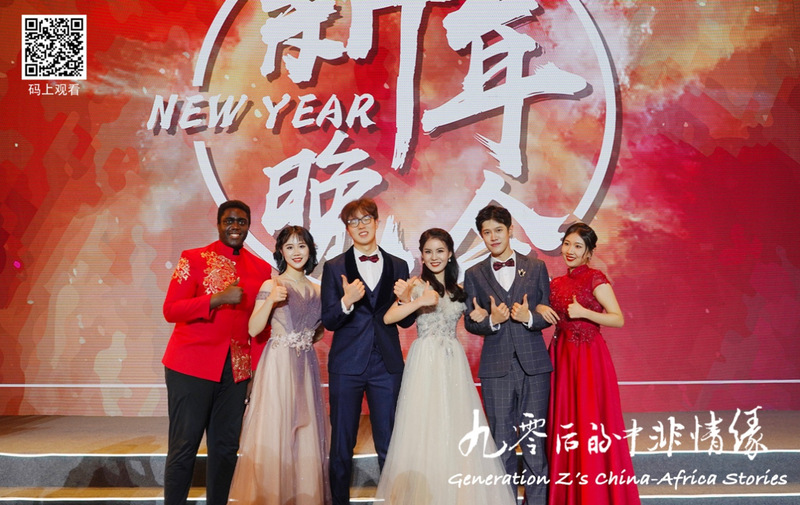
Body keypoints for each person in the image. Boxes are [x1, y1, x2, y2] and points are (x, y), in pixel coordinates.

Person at [375, 228, 517, 505]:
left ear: (450, 254)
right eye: (428, 252)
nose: (434, 257)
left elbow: (475, 319)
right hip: (424, 360)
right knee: (424, 424)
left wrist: (482, 315)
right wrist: (417, 300)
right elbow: (389, 318)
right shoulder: (416, 285)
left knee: (456, 423)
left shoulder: (459, 290)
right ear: (422, 256)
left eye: (440, 251)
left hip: (453, 362)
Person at [162, 200, 272, 505]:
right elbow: (171, 310)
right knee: (184, 446)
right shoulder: (194, 258)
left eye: (241, 222)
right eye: (229, 221)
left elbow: (260, 327)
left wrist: (254, 373)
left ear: (248, 226)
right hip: (190, 367)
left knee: (225, 449)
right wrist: (216, 299)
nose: (235, 226)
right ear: (219, 224)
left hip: (235, 372)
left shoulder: (261, 269)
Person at [320, 198, 416, 505]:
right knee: (341, 444)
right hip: (347, 365)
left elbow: (407, 320)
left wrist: (406, 300)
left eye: (366, 219)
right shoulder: (334, 267)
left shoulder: (399, 265)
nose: (360, 226)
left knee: (389, 443)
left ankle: (393, 501)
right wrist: (346, 301)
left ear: (376, 222)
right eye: (353, 221)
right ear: (347, 229)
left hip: (386, 365)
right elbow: (329, 320)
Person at [536, 223, 640, 505]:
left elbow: (617, 318)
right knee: (565, 424)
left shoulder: (596, 279)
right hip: (561, 357)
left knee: (590, 421)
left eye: (578, 246)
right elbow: (544, 309)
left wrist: (584, 313)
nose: (570, 250)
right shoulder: (556, 283)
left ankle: (594, 495)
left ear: (589, 252)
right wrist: (540, 307)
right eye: (567, 244)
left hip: (588, 359)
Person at [227, 225, 331, 505]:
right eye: (289, 247)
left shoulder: (318, 289)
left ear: (310, 250)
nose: (296, 252)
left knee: (305, 428)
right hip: (278, 366)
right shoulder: (271, 286)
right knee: (276, 428)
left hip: (306, 365)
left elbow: (318, 331)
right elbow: (253, 329)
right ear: (281, 252)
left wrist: (305, 338)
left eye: (301, 246)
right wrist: (270, 302)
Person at [463, 204, 553, 505]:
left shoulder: (536, 267)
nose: (493, 237)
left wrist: (529, 318)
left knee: (534, 443)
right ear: (481, 236)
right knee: (501, 443)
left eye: (498, 230)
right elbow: (470, 321)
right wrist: (492, 320)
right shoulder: (473, 273)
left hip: (534, 366)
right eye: (487, 232)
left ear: (510, 230)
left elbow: (547, 313)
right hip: (496, 368)